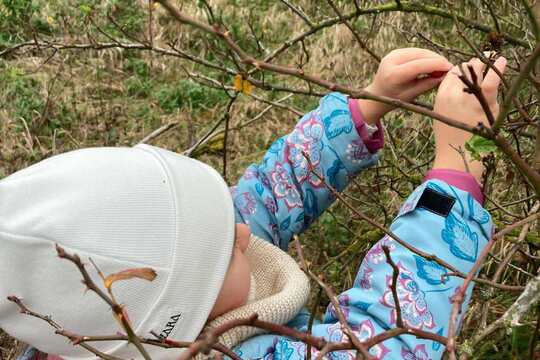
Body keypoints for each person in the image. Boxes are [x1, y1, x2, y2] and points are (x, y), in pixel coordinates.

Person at [0, 48, 506, 360]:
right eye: (221, 252)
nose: (242, 233)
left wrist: (364, 107)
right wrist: (457, 172)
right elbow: (392, 347)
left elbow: (262, 199)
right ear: (179, 327)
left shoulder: (107, 320)